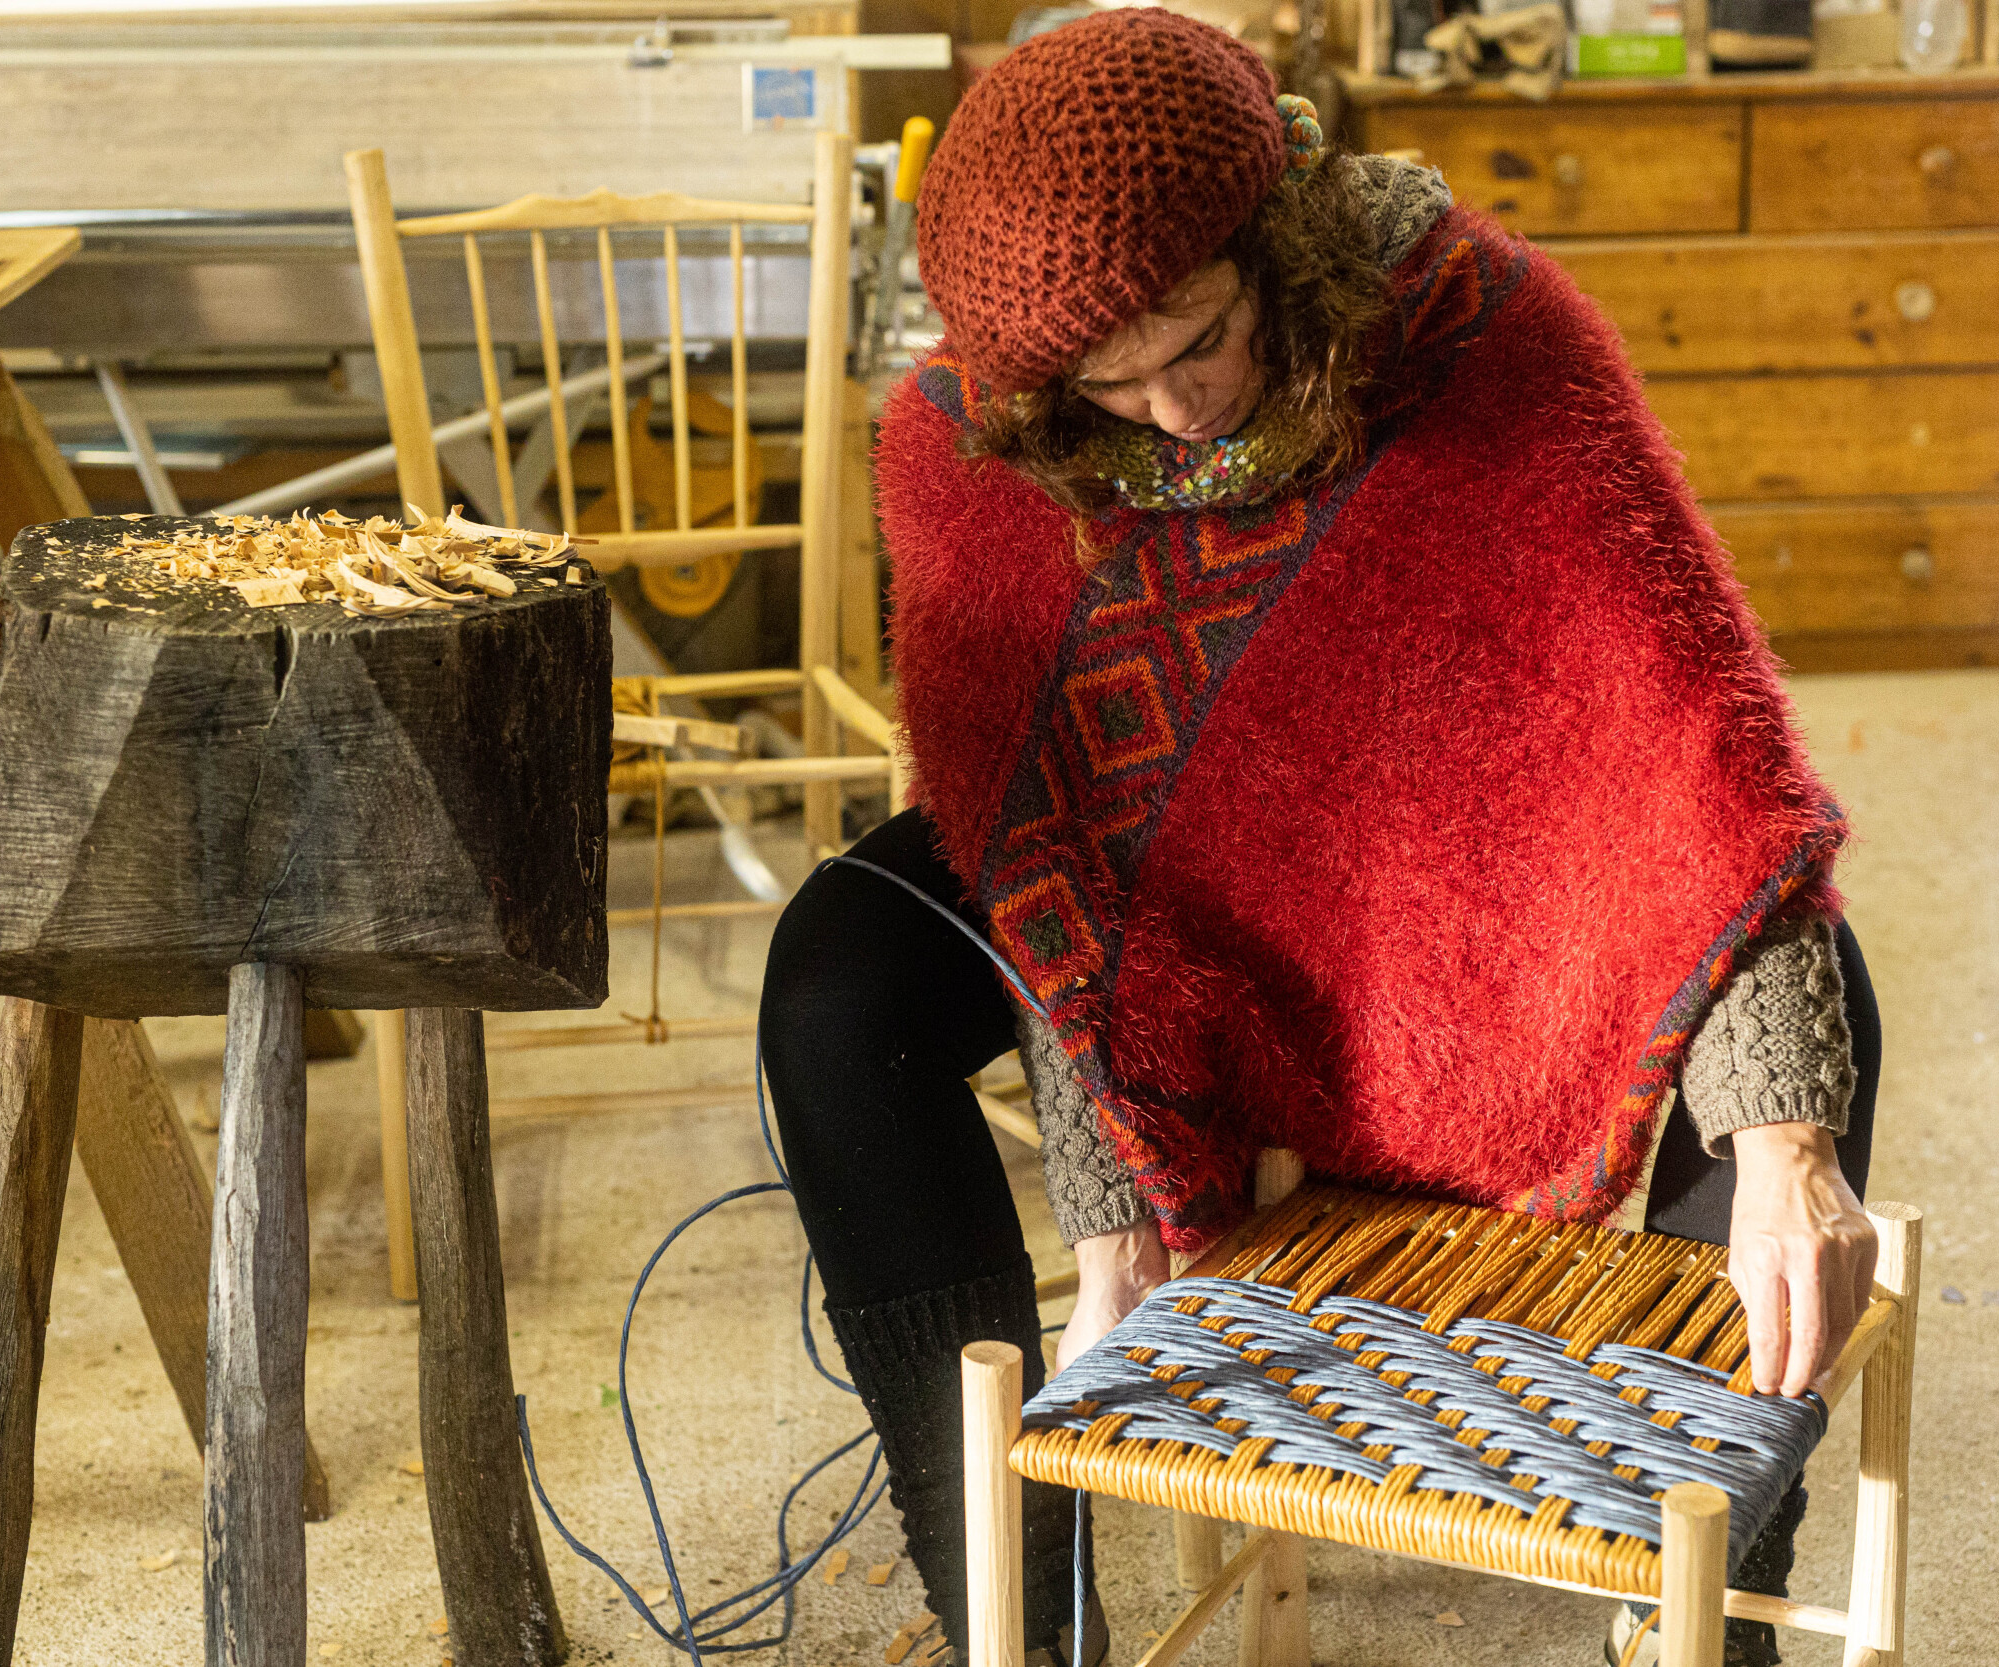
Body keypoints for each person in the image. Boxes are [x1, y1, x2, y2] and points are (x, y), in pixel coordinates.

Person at [761, 13, 1879, 1665]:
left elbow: (1694, 747)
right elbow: (1051, 852)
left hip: (1474, 863)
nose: (1165, 401)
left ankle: (1705, 1606)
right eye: (1106, 380)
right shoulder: (972, 448)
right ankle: (1016, 1598)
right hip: (1179, 929)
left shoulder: (1480, 333)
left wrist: (1787, 1151)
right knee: (838, 981)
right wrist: (1117, 1198)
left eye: (1198, 334)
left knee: (1797, 985)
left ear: (1273, 232)